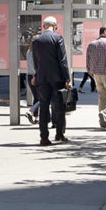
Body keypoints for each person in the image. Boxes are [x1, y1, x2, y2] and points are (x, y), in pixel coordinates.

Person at [32, 16, 71, 145]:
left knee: (43, 107)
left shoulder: (37, 41)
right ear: (54, 25)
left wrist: (36, 75)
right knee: (59, 106)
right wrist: (67, 78)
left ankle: (44, 137)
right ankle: (59, 134)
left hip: (42, 78)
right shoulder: (57, 38)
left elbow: (36, 61)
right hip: (57, 78)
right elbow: (62, 60)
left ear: (44, 26)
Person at [86, 25, 106, 129]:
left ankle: (102, 119)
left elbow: (88, 61)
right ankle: (105, 113)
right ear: (105, 32)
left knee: (101, 96)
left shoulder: (91, 44)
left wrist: (91, 73)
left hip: (96, 75)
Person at [25, 36, 40, 124]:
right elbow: (36, 66)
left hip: (30, 76)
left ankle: (36, 117)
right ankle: (31, 111)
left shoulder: (28, 51)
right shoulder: (36, 52)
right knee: (42, 97)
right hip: (36, 76)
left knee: (37, 97)